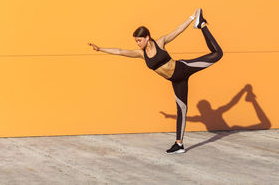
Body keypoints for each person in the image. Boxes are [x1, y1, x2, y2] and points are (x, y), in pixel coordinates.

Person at [88, 8, 223, 154]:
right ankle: (179, 144)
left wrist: (192, 18)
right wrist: (100, 49)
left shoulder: (160, 42)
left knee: (217, 54)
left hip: (183, 68)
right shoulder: (141, 54)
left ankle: (201, 24)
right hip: (176, 81)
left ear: (147, 37)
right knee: (182, 109)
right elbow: (120, 51)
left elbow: (178, 30)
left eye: (139, 40)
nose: (137, 43)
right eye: (136, 41)